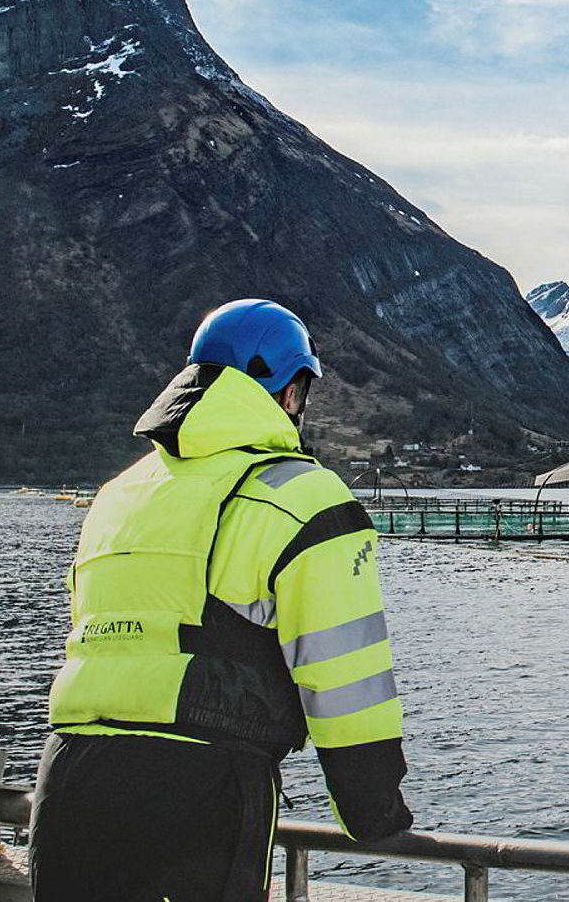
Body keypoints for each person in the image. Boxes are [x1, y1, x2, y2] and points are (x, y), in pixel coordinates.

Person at [30, 299, 413, 901]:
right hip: (200, 785)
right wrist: (373, 813)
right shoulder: (306, 496)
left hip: (70, 774)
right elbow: (346, 676)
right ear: (292, 392)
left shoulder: (118, 494)